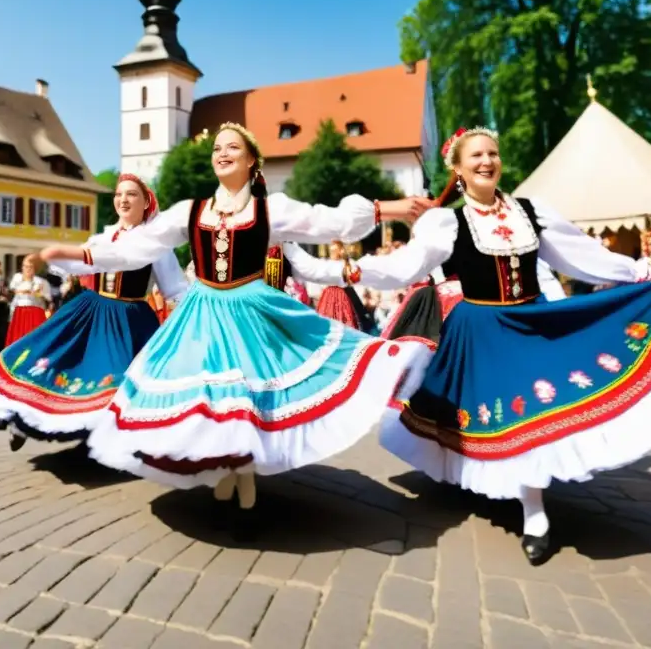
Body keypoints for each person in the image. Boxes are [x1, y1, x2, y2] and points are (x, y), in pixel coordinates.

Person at [346, 126, 651, 565]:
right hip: (481, 328)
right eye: (476, 155)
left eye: (492, 153)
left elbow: (582, 256)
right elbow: (406, 265)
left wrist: (640, 274)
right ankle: (525, 508)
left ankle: (533, 513)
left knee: (534, 411)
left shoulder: (531, 213)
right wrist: (353, 273)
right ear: (457, 169)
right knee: (494, 415)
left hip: (532, 322)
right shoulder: (447, 222)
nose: (487, 161)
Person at [41, 123, 433, 539]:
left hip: (251, 311)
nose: (222, 153)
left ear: (251, 161)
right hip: (202, 315)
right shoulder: (190, 211)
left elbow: (327, 220)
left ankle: (242, 488)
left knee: (246, 396)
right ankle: (227, 474)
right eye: (216, 148)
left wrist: (395, 207)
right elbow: (135, 247)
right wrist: (74, 254)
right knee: (210, 397)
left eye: (232, 147)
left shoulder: (270, 209)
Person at [0, 174, 187, 452]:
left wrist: (192, 318)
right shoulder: (104, 237)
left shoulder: (157, 245)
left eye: (131, 194)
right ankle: (24, 417)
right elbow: (81, 265)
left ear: (146, 202)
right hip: (93, 309)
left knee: (118, 378)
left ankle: (114, 439)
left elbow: (174, 288)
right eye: (119, 194)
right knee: (51, 355)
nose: (123, 199)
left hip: (130, 319)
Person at [5, 257, 51, 345]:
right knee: (18, 338)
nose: (28, 269)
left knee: (34, 338)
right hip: (19, 312)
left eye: (30, 267)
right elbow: (11, 290)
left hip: (35, 312)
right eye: (25, 266)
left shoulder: (41, 281)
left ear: (35, 269)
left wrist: (39, 293)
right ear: (22, 267)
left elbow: (48, 298)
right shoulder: (17, 278)